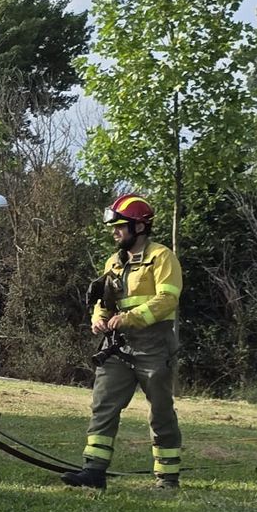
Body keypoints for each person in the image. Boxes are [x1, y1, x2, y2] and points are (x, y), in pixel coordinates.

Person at [61, 194, 184, 492]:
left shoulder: (162, 257)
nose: (115, 232)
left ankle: (167, 478)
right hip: (117, 347)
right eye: (114, 227)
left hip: (154, 346)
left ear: (139, 227)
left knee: (161, 411)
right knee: (103, 405)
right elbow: (104, 300)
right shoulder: (113, 262)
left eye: (120, 226)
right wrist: (98, 318)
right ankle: (93, 471)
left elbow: (167, 300)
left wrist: (130, 318)